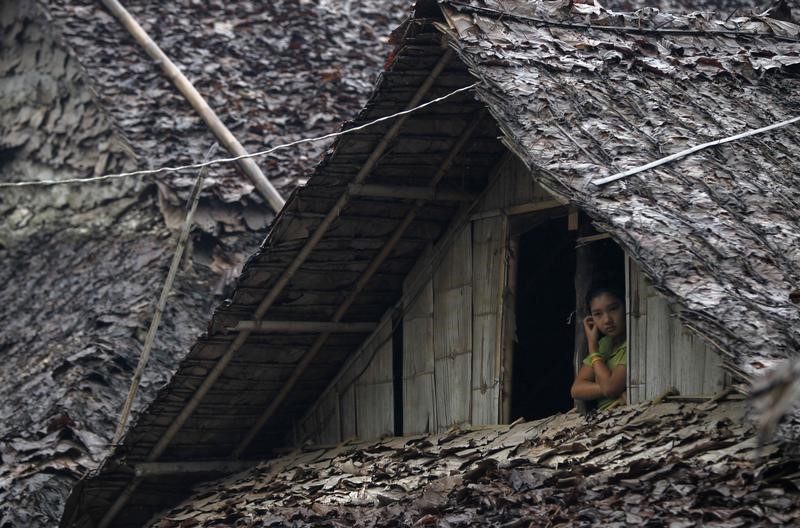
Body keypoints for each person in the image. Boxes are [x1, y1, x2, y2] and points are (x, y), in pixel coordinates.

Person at [570, 284, 627, 410]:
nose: (607, 320)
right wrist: (594, 348)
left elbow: (610, 388)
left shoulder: (633, 344)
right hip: (603, 420)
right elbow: (577, 389)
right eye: (598, 314)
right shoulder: (603, 344)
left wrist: (610, 388)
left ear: (626, 305)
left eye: (613, 309)